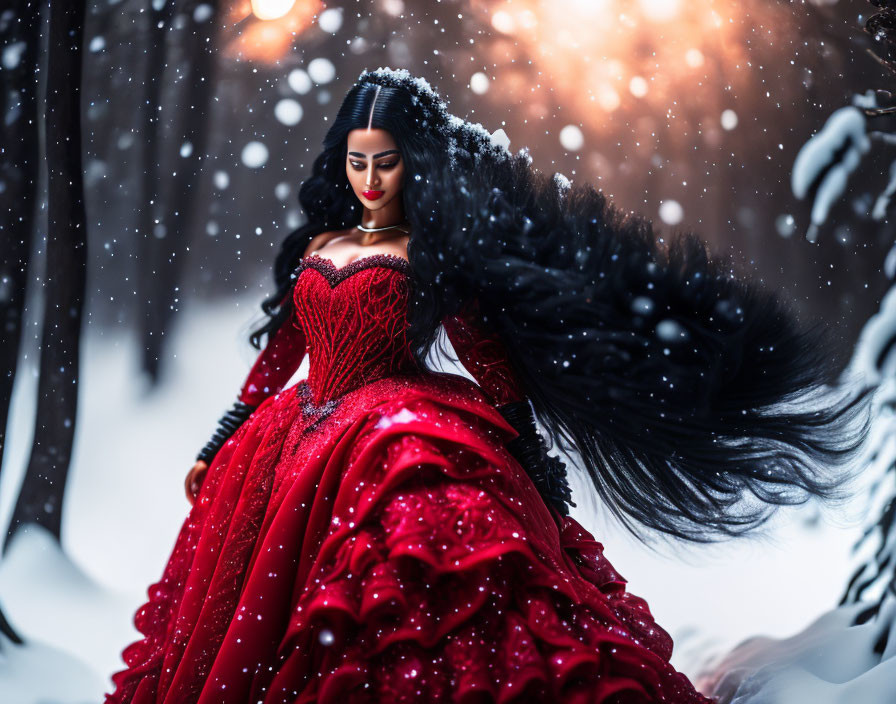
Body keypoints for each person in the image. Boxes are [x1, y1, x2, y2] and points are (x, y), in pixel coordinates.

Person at [105, 68, 866, 703]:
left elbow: (481, 350)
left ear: (415, 164)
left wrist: (528, 447)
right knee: (260, 607)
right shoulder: (318, 244)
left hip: (393, 416)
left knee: (420, 544)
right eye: (358, 161)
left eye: (388, 162)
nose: (371, 180)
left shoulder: (428, 247)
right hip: (296, 431)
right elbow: (281, 354)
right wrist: (222, 436)